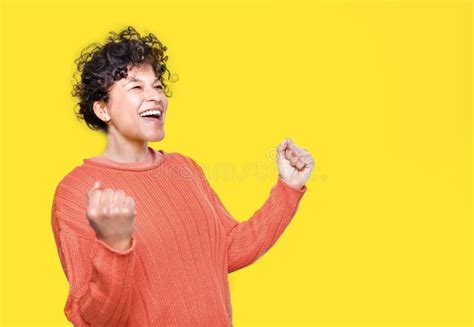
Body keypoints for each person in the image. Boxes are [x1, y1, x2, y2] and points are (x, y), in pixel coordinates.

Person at [51, 25, 315, 327]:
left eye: (159, 86)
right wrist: (115, 245)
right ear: (102, 109)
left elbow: (227, 250)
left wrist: (288, 188)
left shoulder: (184, 168)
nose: (156, 97)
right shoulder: (77, 192)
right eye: (136, 87)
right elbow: (92, 319)